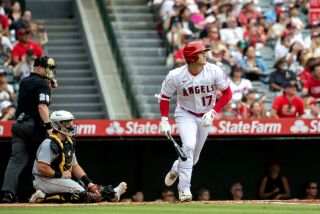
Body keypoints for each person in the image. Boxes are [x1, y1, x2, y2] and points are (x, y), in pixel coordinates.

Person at [157, 40, 232, 202]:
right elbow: (164, 97)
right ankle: (184, 190)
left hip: (206, 115)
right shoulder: (176, 75)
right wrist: (164, 119)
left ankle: (176, 168)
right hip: (186, 114)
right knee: (188, 146)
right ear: (192, 57)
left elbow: (227, 94)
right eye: (200, 52)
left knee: (194, 159)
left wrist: (213, 112)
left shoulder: (213, 70)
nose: (204, 54)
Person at [29, 110, 127, 203]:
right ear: (57, 125)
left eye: (71, 122)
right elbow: (41, 167)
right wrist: (61, 175)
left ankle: (42, 198)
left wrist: (89, 183)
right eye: (67, 123)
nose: (71, 125)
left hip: (57, 179)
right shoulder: (49, 143)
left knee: (83, 189)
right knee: (85, 195)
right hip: (42, 180)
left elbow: (75, 166)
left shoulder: (69, 141)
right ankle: (112, 194)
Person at [0, 56, 58, 203]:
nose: (49, 71)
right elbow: (42, 106)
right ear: (38, 67)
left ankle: (7, 193)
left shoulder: (25, 81)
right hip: (34, 126)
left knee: (16, 161)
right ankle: (47, 191)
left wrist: (49, 88)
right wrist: (50, 128)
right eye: (47, 68)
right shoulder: (42, 83)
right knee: (47, 158)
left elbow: (34, 98)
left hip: (19, 125)